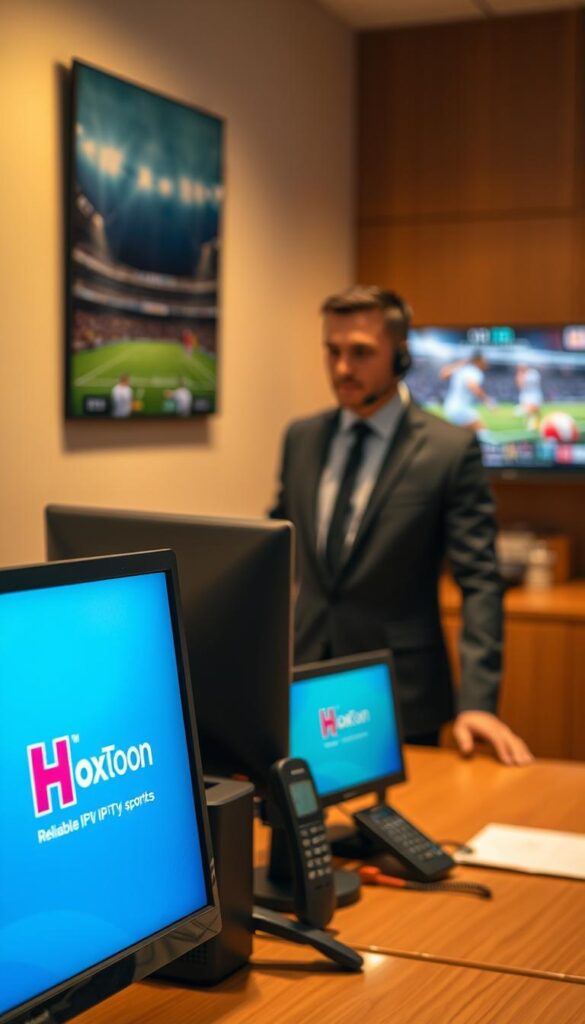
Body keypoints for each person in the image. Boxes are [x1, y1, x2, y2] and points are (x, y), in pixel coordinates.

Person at [270, 285, 531, 765]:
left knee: (394, 838)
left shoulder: (449, 451)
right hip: (305, 685)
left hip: (399, 696)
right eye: (332, 351)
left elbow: (480, 583)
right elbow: (275, 552)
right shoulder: (300, 438)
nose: (342, 368)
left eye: (361, 353)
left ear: (401, 358)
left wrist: (477, 703)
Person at [441, 351, 492, 435]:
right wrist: (487, 400)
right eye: (484, 360)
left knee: (463, 435)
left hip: (450, 407)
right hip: (460, 408)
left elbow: (443, 375)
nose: (486, 362)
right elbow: (472, 386)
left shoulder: (462, 369)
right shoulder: (475, 371)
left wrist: (459, 363)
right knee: (483, 432)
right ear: (478, 360)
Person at [515, 363, 543, 432]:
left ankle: (536, 423)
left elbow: (538, 383)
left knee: (535, 410)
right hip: (526, 395)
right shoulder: (520, 374)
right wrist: (520, 373)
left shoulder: (533, 373)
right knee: (528, 412)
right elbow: (520, 386)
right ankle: (529, 424)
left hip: (535, 393)